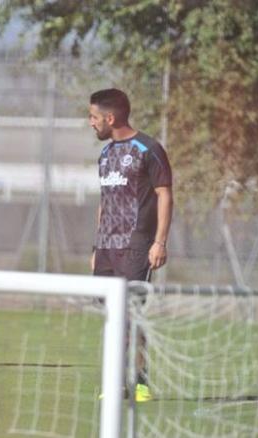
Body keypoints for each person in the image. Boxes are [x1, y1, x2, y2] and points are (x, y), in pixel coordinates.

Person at [88, 88, 173, 402]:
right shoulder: (106, 154)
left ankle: (139, 382)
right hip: (107, 248)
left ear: (110, 118)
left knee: (131, 316)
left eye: (93, 117)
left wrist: (159, 242)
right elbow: (105, 201)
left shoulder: (147, 149)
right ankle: (115, 383)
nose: (90, 123)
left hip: (136, 246)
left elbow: (165, 194)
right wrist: (96, 246)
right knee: (112, 317)